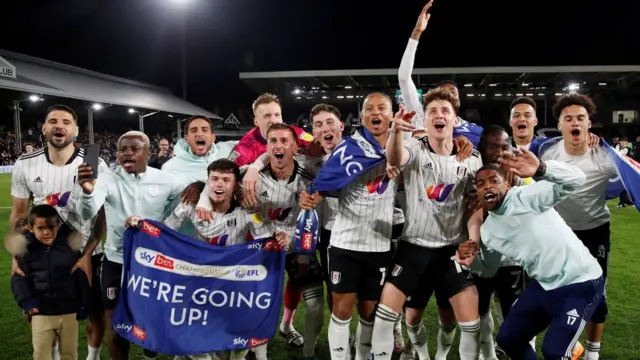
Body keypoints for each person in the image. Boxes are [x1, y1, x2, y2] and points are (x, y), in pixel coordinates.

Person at [125, 159, 289, 360]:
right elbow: (166, 230)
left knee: (243, 332)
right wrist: (141, 226)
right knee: (192, 330)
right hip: (199, 278)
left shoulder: (246, 210)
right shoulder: (191, 204)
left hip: (232, 280)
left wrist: (279, 239)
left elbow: (265, 239)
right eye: (215, 179)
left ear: (235, 185)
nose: (219, 184)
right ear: (207, 181)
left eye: (226, 180)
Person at [456, 150, 604, 360]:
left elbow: (578, 179)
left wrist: (542, 169)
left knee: (555, 352)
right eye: (480, 184)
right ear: (477, 194)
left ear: (506, 185)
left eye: (493, 180)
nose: (487, 186)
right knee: (508, 339)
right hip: (544, 286)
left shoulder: (527, 196)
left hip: (581, 282)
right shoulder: (488, 232)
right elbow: (488, 270)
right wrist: (471, 263)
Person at [371, 88, 484, 360]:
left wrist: (473, 239)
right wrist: (396, 131)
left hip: (451, 251)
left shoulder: (472, 159)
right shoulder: (414, 148)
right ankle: (421, 355)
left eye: (445, 111)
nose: (439, 115)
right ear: (425, 121)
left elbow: (474, 208)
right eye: (432, 111)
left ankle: (442, 355)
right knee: (394, 317)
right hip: (414, 248)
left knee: (469, 323)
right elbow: (395, 159)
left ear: (455, 120)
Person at [200, 123, 325, 360]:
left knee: (317, 304)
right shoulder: (249, 174)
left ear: (295, 147)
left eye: (284, 141)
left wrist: (292, 232)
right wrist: (202, 203)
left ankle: (308, 353)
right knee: (250, 304)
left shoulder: (310, 172)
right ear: (266, 148)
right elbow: (214, 184)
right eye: (273, 141)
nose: (278, 146)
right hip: (258, 248)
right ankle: (250, 350)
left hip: (296, 245)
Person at [75, 131, 185, 360]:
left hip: (152, 264)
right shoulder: (106, 179)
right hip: (116, 262)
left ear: (148, 153)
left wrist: (160, 227)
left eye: (134, 149)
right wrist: (86, 191)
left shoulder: (166, 180)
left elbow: (180, 203)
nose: (127, 153)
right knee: (117, 329)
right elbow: (87, 212)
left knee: (151, 326)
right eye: (122, 149)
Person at [10, 104, 108, 360]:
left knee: (93, 312)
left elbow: (101, 215)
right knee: (39, 312)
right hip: (41, 253)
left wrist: (88, 253)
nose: (59, 125)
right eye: (53, 121)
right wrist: (17, 255)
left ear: (76, 130)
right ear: (44, 129)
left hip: (87, 252)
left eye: (66, 121)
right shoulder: (25, 163)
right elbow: (20, 214)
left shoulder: (93, 160)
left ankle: (92, 357)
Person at [228, 93, 318, 348]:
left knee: (297, 276)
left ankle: (287, 324)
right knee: (253, 283)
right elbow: (225, 175)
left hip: (292, 221)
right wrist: (240, 191)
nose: (273, 119)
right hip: (255, 226)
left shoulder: (298, 133)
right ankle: (247, 330)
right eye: (266, 116)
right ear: (256, 121)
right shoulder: (243, 148)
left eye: (277, 114)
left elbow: (319, 148)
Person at [533, 94, 618, 360]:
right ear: (559, 125)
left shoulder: (606, 156)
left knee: (597, 296)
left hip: (595, 231)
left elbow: (629, 179)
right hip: (559, 234)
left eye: (580, 118)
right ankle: (562, 342)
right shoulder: (546, 150)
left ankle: (592, 352)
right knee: (554, 292)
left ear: (589, 123)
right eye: (568, 118)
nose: (575, 122)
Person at [7, 205, 90, 360]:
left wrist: (83, 304)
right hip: (41, 312)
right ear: (31, 228)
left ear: (58, 226)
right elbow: (19, 279)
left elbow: (79, 276)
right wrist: (29, 304)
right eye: (41, 228)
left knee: (70, 355)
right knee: (41, 355)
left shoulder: (69, 247)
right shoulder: (25, 250)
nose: (46, 232)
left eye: (51, 227)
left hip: (69, 311)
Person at [162, 116, 235, 185]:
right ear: (187, 139)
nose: (199, 134)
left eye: (204, 130)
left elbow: (246, 142)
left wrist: (247, 171)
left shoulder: (228, 149)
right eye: (194, 131)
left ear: (213, 137)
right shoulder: (170, 168)